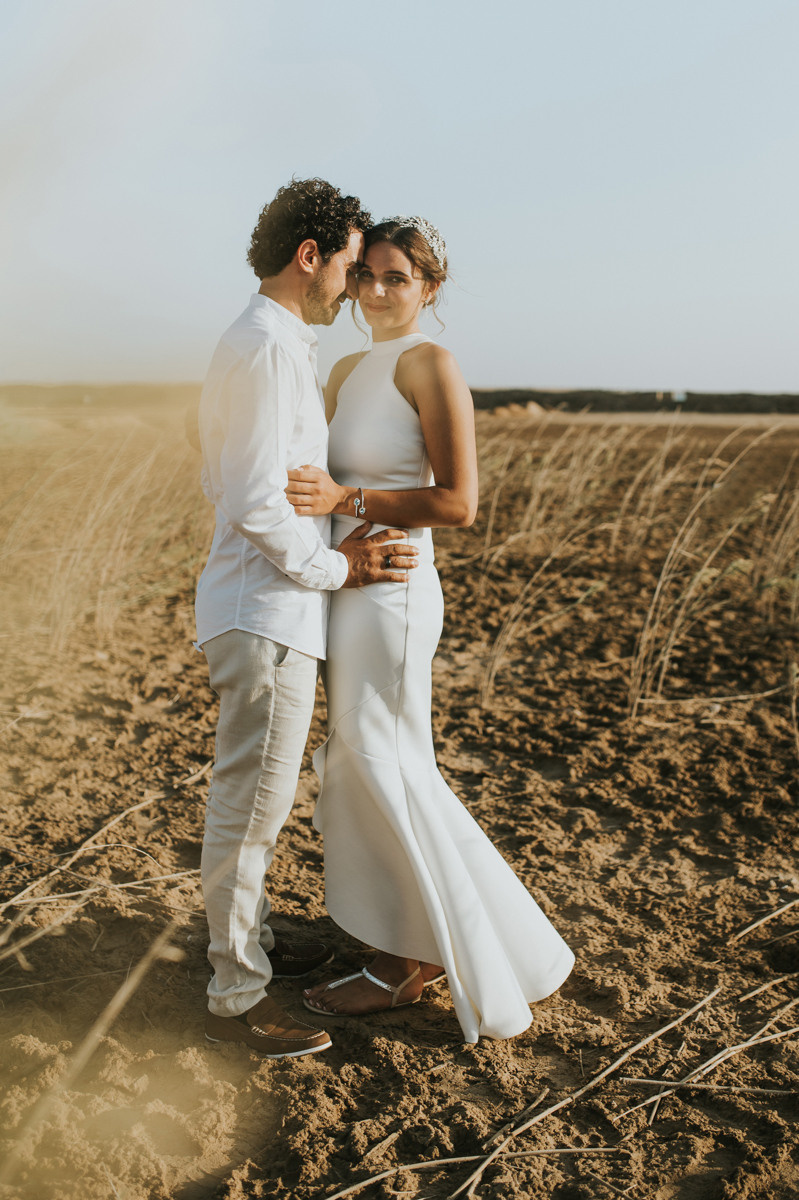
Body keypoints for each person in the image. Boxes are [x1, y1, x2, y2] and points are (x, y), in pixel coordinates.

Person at [286, 216, 575, 1043]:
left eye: (397, 278)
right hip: (347, 581)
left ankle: (405, 963)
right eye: (366, 276)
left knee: (381, 758)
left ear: (429, 289)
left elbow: (458, 502)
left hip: (395, 591)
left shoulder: (430, 364)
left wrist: (347, 501)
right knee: (362, 759)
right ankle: (422, 942)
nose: (376, 292)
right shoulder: (347, 369)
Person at [195, 180, 419, 1059]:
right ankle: (238, 993)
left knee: (256, 800)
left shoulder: (265, 341)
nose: (353, 286)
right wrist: (339, 567)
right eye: (349, 267)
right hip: (266, 612)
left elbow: (220, 474)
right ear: (308, 256)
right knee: (252, 808)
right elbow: (253, 497)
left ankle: (245, 942)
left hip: (264, 606)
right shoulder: (266, 348)